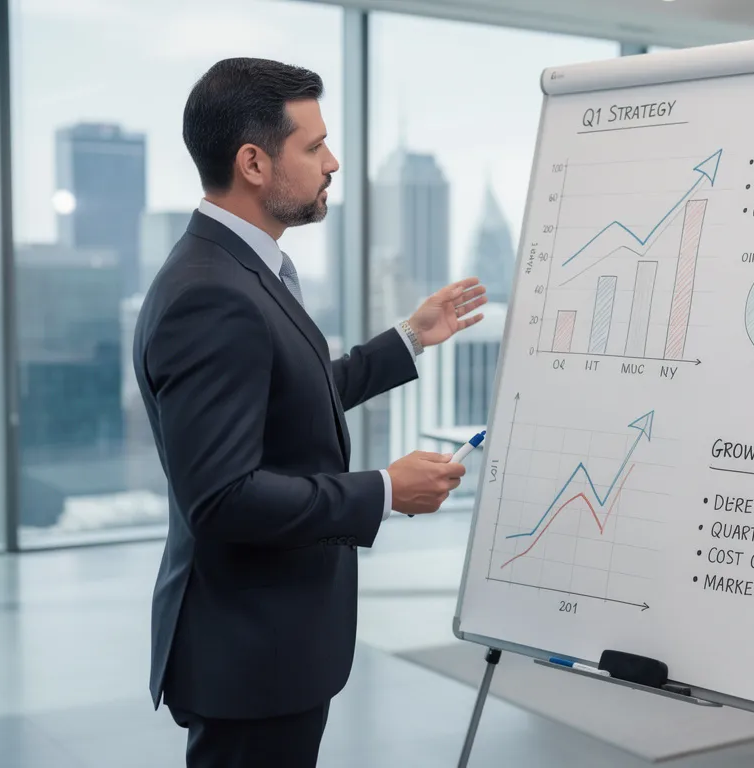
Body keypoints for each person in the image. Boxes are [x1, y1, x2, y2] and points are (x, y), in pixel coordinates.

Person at [132, 57, 485, 768]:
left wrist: (409, 339)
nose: (333, 162)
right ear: (255, 163)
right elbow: (223, 498)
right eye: (313, 145)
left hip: (265, 642)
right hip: (249, 651)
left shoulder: (238, 268)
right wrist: (384, 491)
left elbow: (286, 392)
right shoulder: (214, 293)